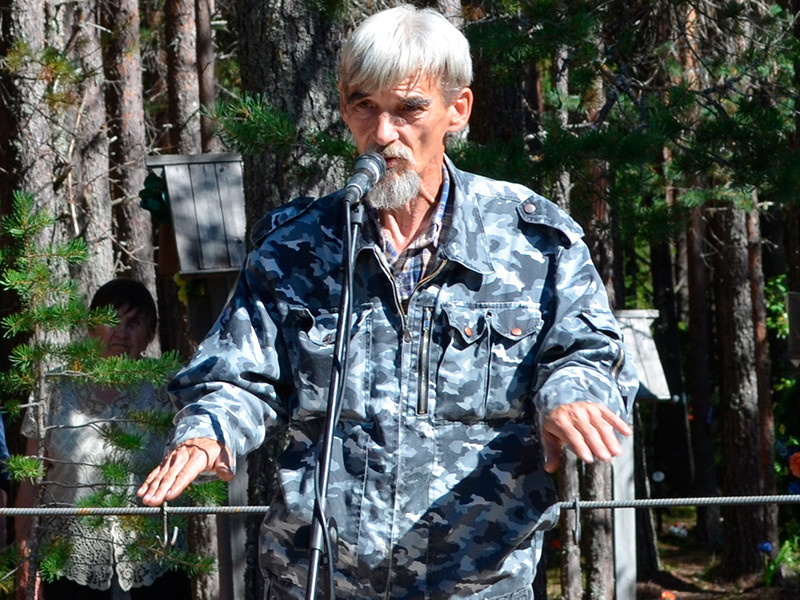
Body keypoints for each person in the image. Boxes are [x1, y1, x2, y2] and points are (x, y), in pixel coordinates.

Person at [138, 5, 639, 600]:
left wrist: (570, 392)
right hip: (316, 581)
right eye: (364, 106)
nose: (382, 134)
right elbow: (236, 376)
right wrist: (208, 430)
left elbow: (589, 352)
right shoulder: (296, 247)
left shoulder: (532, 241)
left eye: (408, 109)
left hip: (475, 584)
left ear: (458, 110)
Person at [16, 279, 191, 600]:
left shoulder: (170, 391)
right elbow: (31, 480)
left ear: (150, 335)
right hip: (69, 566)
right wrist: (27, 554)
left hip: (155, 561)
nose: (121, 333)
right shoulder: (55, 389)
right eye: (112, 320)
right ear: (90, 328)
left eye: (134, 323)